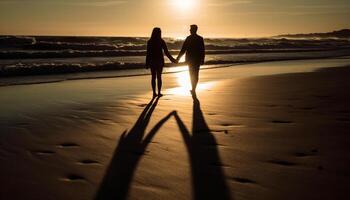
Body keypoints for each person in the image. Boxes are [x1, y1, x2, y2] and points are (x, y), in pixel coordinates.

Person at [146, 27, 176, 97]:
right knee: (159, 77)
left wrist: (147, 63)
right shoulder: (161, 41)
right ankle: (159, 92)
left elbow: (148, 53)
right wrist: (172, 60)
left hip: (152, 61)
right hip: (159, 61)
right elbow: (166, 52)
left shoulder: (150, 41)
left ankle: (154, 93)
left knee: (153, 77)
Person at [176, 24, 205, 94]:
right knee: (196, 74)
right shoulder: (200, 38)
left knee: (191, 74)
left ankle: (193, 88)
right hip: (197, 59)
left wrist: (178, 58)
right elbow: (202, 50)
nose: (190, 30)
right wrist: (202, 59)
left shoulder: (188, 38)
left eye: (191, 29)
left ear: (193, 30)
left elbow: (183, 49)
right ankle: (194, 88)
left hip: (190, 59)